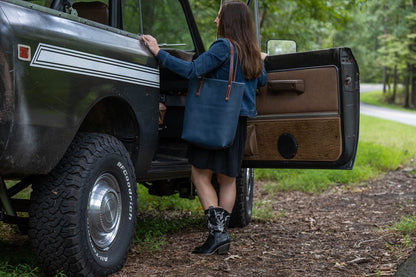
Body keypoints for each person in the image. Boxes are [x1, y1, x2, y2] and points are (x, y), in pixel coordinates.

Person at [142, 0, 267, 255]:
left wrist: (158, 52)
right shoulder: (253, 52)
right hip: (239, 123)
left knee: (199, 174)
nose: (215, 21)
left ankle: (218, 234)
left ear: (229, 21)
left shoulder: (223, 47)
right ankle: (221, 235)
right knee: (228, 179)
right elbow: (262, 80)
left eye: (219, 16)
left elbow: (192, 70)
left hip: (216, 120)